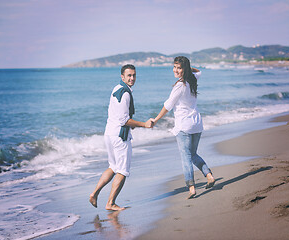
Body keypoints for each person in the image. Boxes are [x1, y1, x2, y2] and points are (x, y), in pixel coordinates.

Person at [89, 64, 154, 211]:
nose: (132, 78)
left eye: (134, 75)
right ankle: (110, 203)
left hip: (109, 134)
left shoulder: (116, 88)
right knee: (123, 170)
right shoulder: (124, 94)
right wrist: (144, 124)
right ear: (122, 76)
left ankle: (94, 194)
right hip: (119, 136)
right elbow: (124, 120)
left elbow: (118, 116)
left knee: (113, 166)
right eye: (129, 75)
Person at [151, 56, 215, 199]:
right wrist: (187, 70)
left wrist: (155, 119)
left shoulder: (180, 85)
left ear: (184, 69)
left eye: (179, 68)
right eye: (174, 67)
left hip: (184, 126)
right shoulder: (192, 79)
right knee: (192, 155)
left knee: (186, 157)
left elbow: (167, 106)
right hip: (197, 123)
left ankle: (191, 187)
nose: (175, 70)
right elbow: (199, 71)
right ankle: (209, 175)